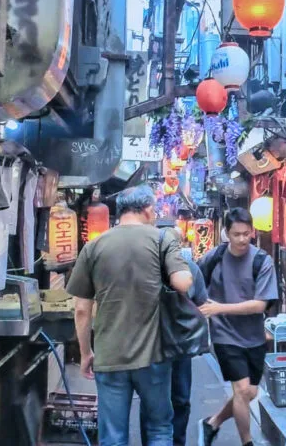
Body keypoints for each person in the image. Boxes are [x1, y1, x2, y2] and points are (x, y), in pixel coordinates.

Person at [67, 186, 194, 446]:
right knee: (159, 429)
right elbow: (183, 283)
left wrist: (85, 353)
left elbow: (81, 309)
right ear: (147, 209)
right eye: (154, 211)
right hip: (154, 356)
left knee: (113, 437)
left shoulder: (94, 246)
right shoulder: (162, 239)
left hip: (110, 355)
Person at [198, 208, 278, 446]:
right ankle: (247, 442)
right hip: (224, 335)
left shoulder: (262, 260)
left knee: (251, 392)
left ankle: (212, 423)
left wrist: (219, 308)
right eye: (236, 234)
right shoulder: (214, 258)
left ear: (252, 231)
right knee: (242, 390)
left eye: (246, 233)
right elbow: (194, 284)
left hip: (254, 335)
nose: (242, 239)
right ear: (226, 233)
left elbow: (260, 305)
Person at [140, 222, 208, 446]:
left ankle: (175, 441)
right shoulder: (148, 268)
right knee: (157, 400)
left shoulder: (191, 268)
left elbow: (201, 303)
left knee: (177, 398)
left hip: (178, 344)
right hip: (155, 343)